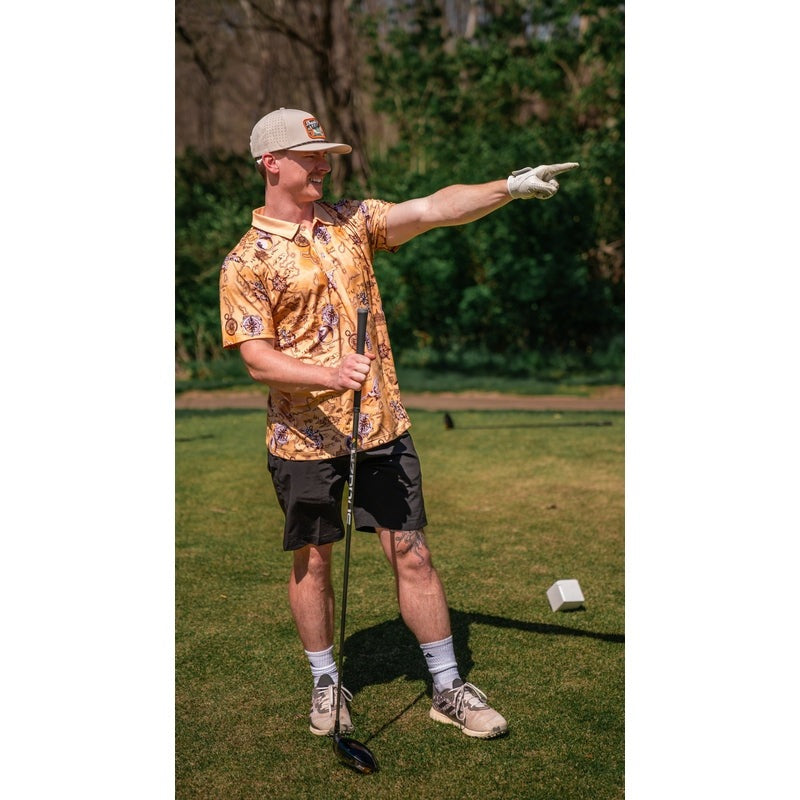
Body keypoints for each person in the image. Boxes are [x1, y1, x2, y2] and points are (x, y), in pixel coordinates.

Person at [219, 106, 578, 740]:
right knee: (313, 562)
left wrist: (509, 187)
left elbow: (434, 208)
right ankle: (326, 682)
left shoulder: (352, 221)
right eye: (311, 156)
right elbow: (256, 357)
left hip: (381, 426)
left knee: (412, 551)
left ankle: (447, 686)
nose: (324, 166)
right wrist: (328, 373)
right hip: (303, 439)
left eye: (326, 156)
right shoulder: (245, 261)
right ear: (271, 163)